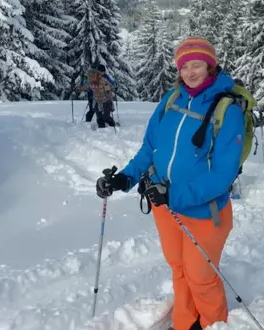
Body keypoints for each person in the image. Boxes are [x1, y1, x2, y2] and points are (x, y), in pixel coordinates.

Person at [95, 37, 245, 330]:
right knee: (178, 267)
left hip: (205, 211)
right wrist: (124, 178)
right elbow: (151, 148)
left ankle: (213, 324)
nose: (190, 72)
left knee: (201, 275)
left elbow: (224, 174)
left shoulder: (228, 110)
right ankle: (185, 321)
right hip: (164, 205)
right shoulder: (171, 99)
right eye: (185, 66)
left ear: (210, 66)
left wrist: (174, 194)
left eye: (197, 65)